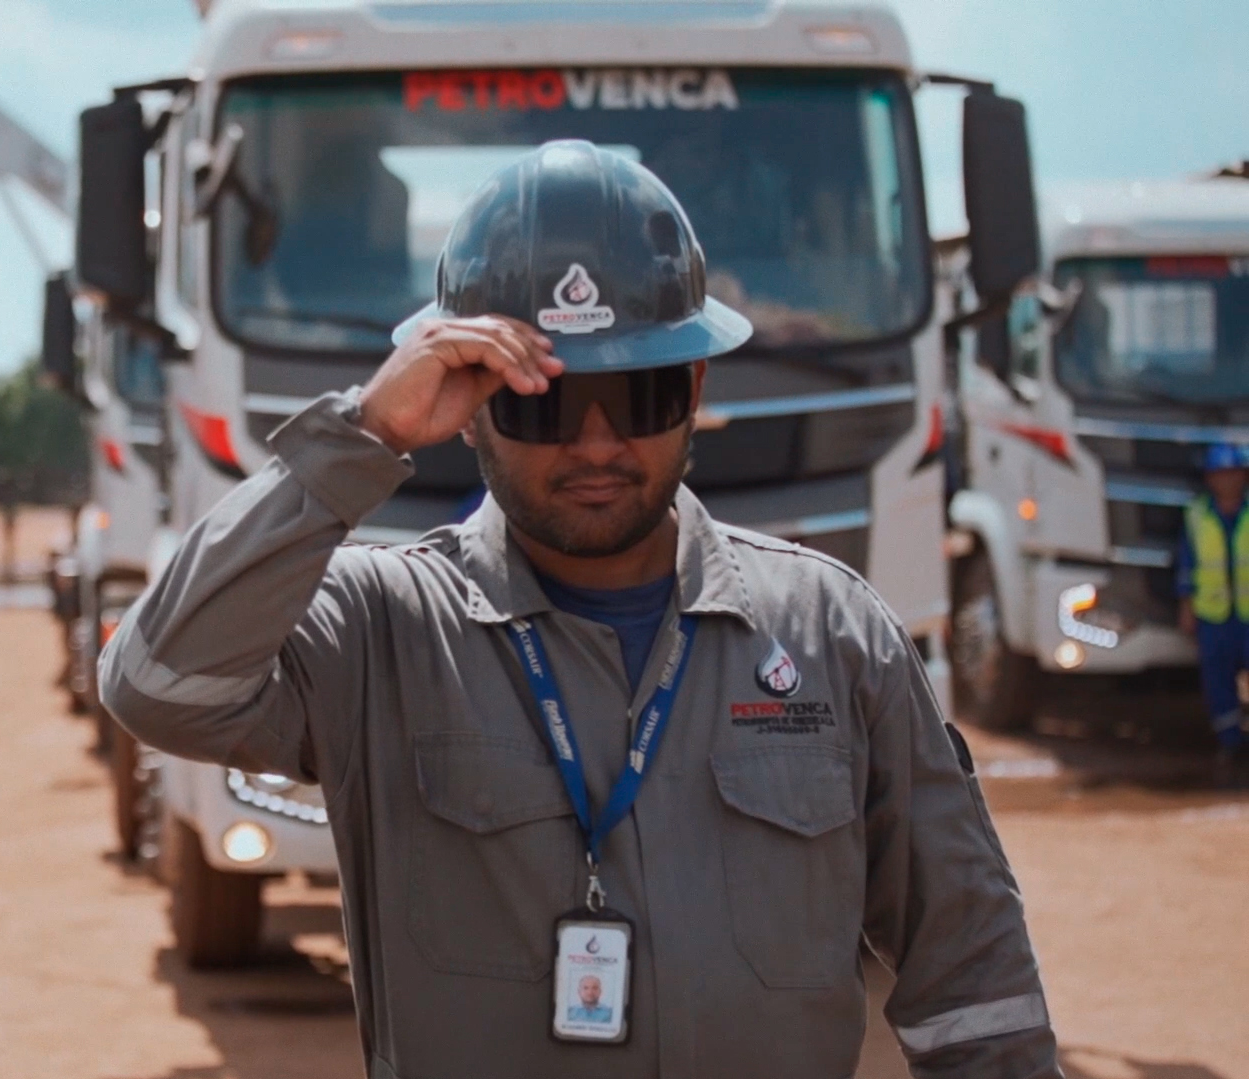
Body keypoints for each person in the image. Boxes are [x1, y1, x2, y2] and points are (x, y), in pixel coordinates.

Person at [100, 141, 1058, 1078]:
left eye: (637, 395)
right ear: (468, 408)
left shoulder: (832, 633)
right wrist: (365, 436)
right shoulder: (379, 625)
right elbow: (157, 683)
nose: (596, 446)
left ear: (694, 389)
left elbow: (968, 963)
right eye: (544, 403)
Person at [1178, 442, 1249, 784]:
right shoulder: (1196, 515)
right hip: (1215, 617)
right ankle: (1230, 745)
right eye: (1221, 474)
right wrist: (1187, 607)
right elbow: (1187, 565)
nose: (1228, 481)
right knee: (1218, 684)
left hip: (1248, 615)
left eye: (1233, 473)